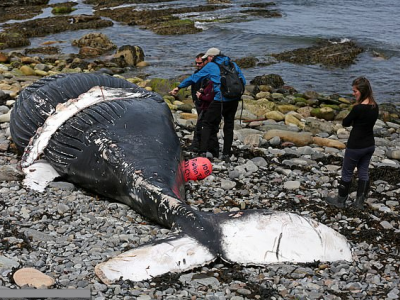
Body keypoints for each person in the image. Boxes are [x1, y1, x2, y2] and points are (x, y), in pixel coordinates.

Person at [170, 48, 246, 161]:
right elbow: (243, 81)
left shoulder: (212, 66)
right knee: (229, 125)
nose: (206, 60)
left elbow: (195, 78)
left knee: (207, 123)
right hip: (234, 99)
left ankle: (202, 152)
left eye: (207, 58)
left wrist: (179, 87)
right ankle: (226, 154)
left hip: (219, 100)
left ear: (211, 57)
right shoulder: (233, 64)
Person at [326, 76, 379, 210]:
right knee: (363, 172)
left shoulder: (358, 108)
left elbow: (345, 122)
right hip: (369, 145)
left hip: (355, 146)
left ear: (362, 91)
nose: (353, 93)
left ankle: (340, 201)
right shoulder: (375, 106)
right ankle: (359, 203)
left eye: (355, 91)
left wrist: (354, 117)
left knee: (347, 173)